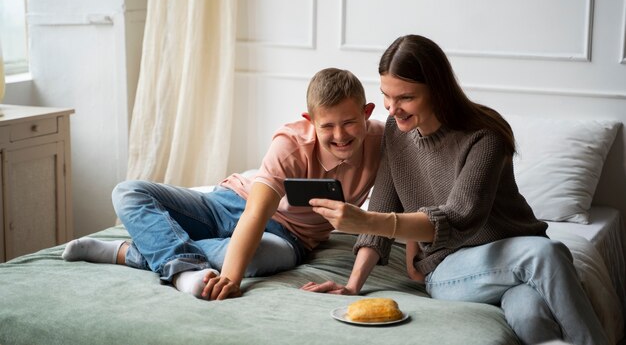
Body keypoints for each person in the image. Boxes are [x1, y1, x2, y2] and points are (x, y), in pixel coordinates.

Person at [301, 35, 609, 345]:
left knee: (531, 317)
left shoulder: (485, 134)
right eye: (386, 96)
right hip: (449, 270)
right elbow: (379, 214)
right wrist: (353, 286)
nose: (393, 109)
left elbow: (461, 217)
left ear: (438, 91)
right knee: (548, 254)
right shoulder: (395, 133)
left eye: (406, 98)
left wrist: (366, 220)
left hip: (514, 254)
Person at [63, 68, 384, 301]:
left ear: (366, 113)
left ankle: (132, 252)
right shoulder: (290, 143)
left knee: (254, 258)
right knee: (128, 191)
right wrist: (229, 278)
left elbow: (404, 197)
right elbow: (255, 213)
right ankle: (179, 270)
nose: (340, 136)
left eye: (349, 123)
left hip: (288, 238)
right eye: (327, 126)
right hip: (229, 202)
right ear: (309, 121)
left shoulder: (384, 142)